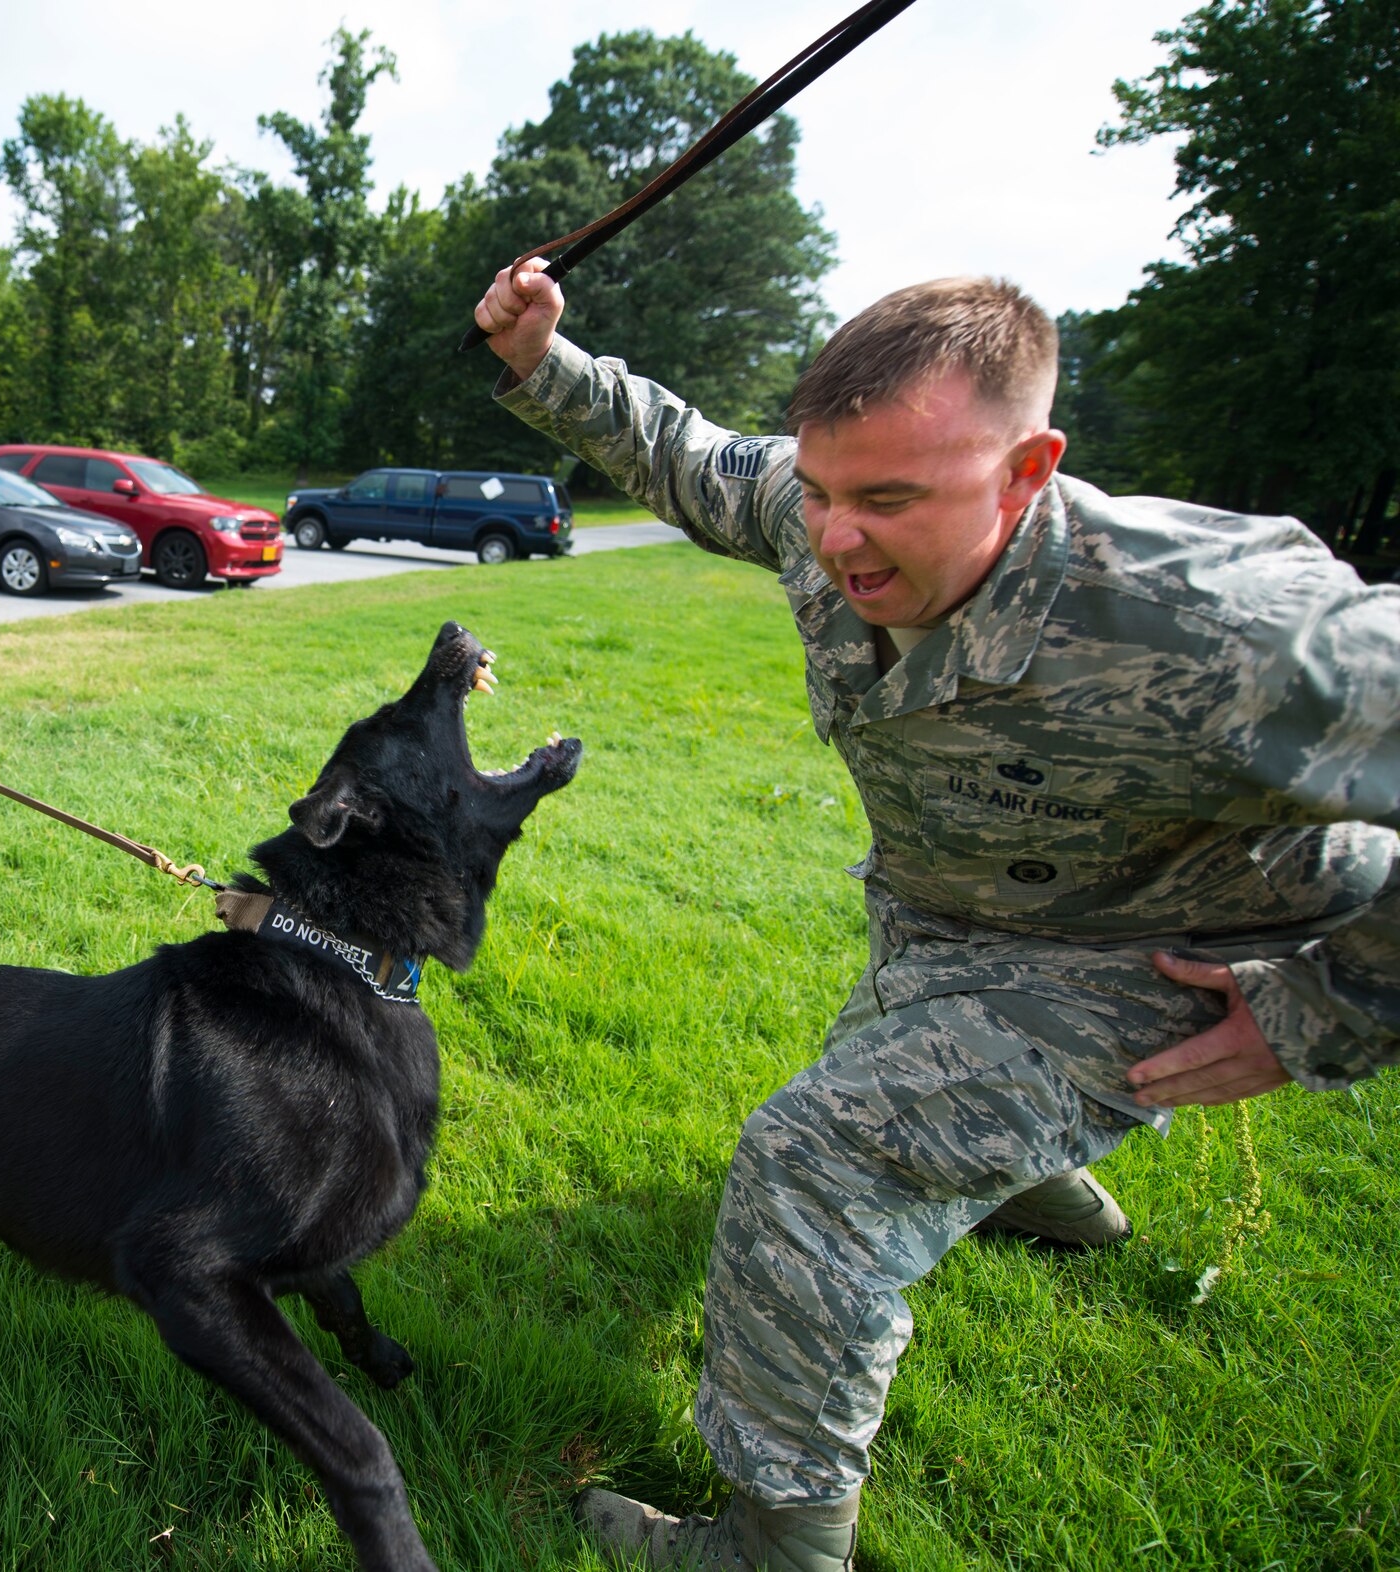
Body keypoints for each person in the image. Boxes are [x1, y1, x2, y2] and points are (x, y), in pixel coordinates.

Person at [473, 268, 1400, 1571]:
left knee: (821, 1158)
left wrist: (1332, 1004)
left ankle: (776, 1546)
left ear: (1028, 472)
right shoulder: (824, 509)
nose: (837, 536)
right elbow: (683, 457)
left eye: (891, 502)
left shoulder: (1219, 626)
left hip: (1150, 943)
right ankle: (1032, 1180)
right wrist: (545, 356)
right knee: (901, 1089)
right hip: (945, 921)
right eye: (822, 490)